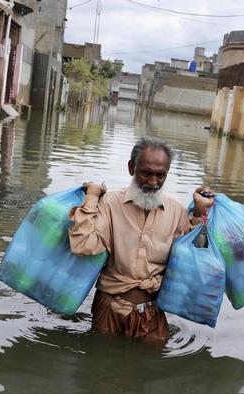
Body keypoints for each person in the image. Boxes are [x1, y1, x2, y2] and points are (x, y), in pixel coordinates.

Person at [68, 136, 215, 341]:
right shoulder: (110, 203)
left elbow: (197, 261)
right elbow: (83, 245)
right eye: (146, 173)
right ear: (131, 168)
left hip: (152, 312)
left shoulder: (176, 211)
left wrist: (199, 213)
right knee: (100, 367)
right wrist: (92, 198)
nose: (153, 182)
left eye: (160, 175)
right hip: (109, 308)